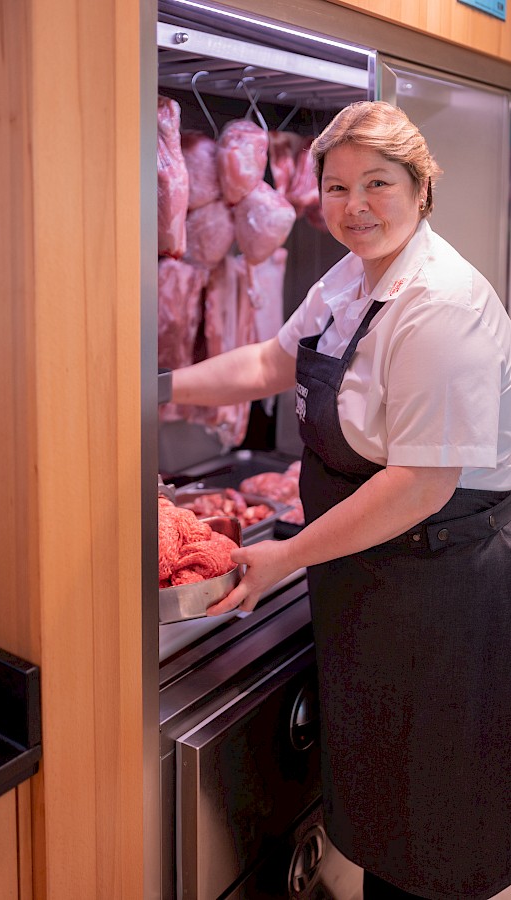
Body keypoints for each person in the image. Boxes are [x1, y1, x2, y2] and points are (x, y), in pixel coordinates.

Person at [170, 100, 511, 899]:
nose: (353, 206)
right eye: (335, 187)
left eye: (378, 184)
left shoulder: (442, 305)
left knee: (440, 810)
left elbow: (420, 485)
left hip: (440, 590)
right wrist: (147, 387)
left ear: (423, 190)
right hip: (371, 582)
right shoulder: (351, 279)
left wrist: (285, 553)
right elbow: (264, 365)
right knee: (380, 790)